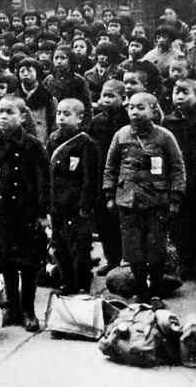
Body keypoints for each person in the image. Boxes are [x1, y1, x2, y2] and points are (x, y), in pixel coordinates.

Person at [103, 92, 186, 303]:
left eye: (141, 107)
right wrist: (109, 194)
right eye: (131, 107)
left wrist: (175, 198)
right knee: (133, 250)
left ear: (153, 110)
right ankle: (141, 291)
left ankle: (156, 291)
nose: (135, 112)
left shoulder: (164, 137)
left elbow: (177, 168)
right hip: (128, 201)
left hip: (156, 202)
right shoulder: (120, 135)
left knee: (156, 249)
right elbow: (110, 168)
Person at [0, 94, 50, 332]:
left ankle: (28, 309)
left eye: (10, 112)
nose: (3, 116)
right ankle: (13, 307)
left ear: (23, 117)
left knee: (28, 264)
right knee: (7, 260)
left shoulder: (32, 145)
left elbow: (42, 180)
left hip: (24, 211)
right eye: (0, 111)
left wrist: (42, 212)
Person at [162, 78, 196, 281]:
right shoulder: (169, 122)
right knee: (179, 224)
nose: (180, 97)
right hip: (176, 177)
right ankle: (185, 264)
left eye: (185, 93)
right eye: (177, 92)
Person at [46, 98, 97, 294]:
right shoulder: (53, 139)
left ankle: (82, 284)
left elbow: (89, 178)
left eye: (67, 114)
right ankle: (66, 282)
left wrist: (85, 205)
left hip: (76, 205)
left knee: (79, 247)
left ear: (80, 118)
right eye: (59, 113)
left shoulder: (86, 143)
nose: (61, 118)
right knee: (60, 247)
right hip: (56, 203)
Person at [88, 79, 129, 275]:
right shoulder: (96, 122)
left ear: (123, 98)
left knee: (122, 221)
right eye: (104, 95)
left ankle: (126, 261)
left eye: (111, 96)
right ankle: (111, 259)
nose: (105, 100)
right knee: (103, 221)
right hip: (100, 176)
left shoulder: (128, 121)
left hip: (122, 176)